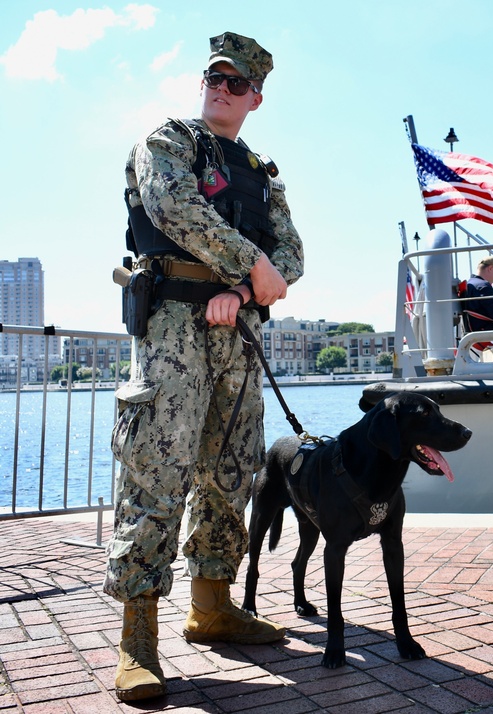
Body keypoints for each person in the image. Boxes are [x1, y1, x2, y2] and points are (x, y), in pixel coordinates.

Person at [106, 33, 304, 702]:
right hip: (171, 329)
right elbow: (171, 206)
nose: (221, 87)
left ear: (255, 97)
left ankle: (212, 606)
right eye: (214, 76)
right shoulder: (170, 141)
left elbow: (291, 257)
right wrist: (251, 264)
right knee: (156, 473)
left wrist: (244, 290)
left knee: (229, 471)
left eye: (236, 82)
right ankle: (138, 642)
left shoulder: (261, 171)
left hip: (236, 330)